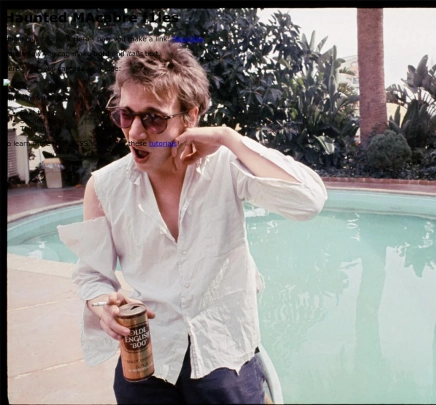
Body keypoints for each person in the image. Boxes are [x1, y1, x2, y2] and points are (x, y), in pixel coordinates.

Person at [58, 37, 327, 404]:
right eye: (126, 114)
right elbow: (92, 275)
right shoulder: (104, 187)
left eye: (153, 118)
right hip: (148, 357)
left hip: (224, 354)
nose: (134, 132)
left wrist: (229, 138)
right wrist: (103, 304)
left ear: (190, 116)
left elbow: (309, 201)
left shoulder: (225, 167)